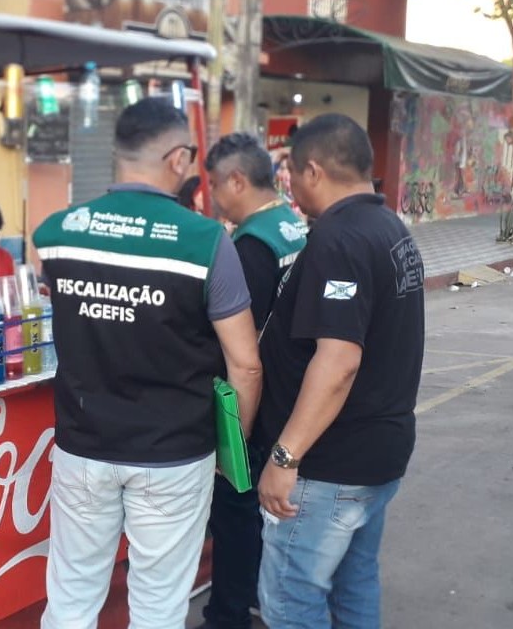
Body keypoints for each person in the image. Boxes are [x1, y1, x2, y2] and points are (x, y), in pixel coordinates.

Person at [33, 97, 262, 628]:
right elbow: (245, 365)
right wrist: (232, 449)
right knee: (157, 608)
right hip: (174, 454)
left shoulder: (55, 233)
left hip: (82, 446)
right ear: (178, 158)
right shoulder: (206, 241)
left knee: (70, 598)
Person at [253, 114, 425, 629]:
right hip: (376, 455)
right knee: (354, 585)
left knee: (289, 600)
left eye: (290, 175)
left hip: (329, 465)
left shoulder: (339, 238)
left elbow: (339, 360)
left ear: (311, 171)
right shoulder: (389, 226)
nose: (290, 187)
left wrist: (285, 456)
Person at [200, 132, 308, 629]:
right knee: (260, 518)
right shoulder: (291, 224)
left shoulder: (250, 246)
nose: (212, 197)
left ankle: (228, 614)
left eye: (215, 186)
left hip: (253, 404)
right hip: (289, 396)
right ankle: (261, 599)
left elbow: (239, 343)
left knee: (236, 513)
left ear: (237, 181)